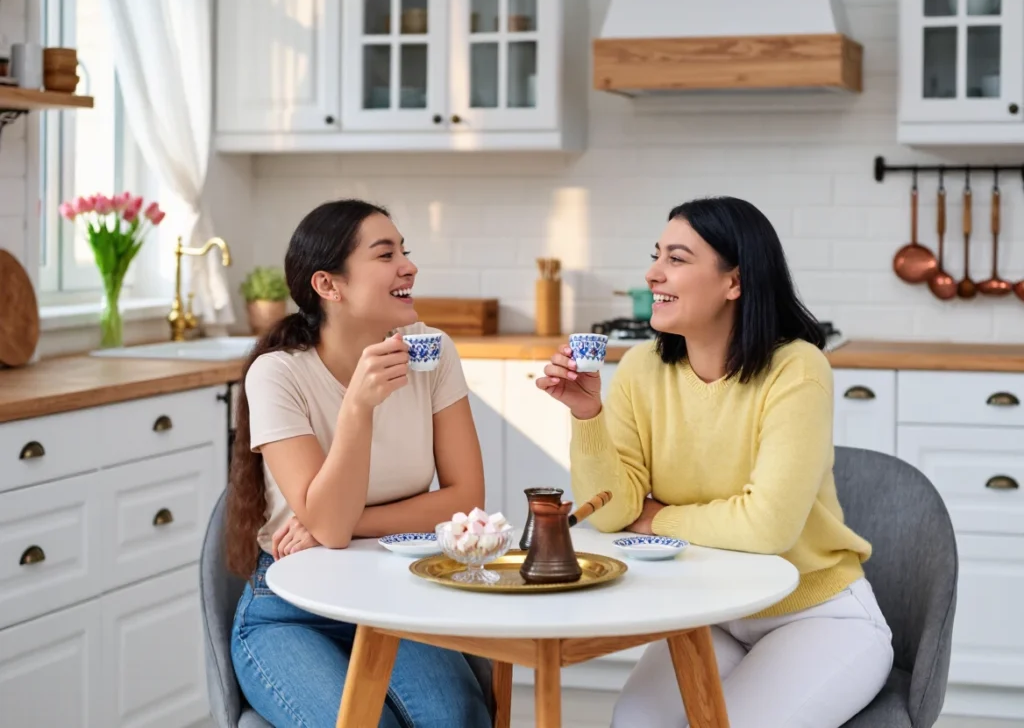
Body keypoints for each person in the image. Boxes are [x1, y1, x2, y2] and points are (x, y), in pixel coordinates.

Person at [536, 196, 894, 728]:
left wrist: (660, 519)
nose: (653, 273)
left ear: (735, 281)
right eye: (657, 255)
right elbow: (612, 513)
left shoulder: (796, 368)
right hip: (712, 614)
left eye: (677, 259)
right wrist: (588, 415)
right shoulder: (641, 369)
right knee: (633, 722)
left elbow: (767, 525)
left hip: (817, 615)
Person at [224, 199, 492, 728]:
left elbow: (465, 498)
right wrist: (358, 408)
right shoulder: (277, 375)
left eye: (405, 252)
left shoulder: (431, 353)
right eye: (385, 254)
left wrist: (344, 526)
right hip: (292, 609)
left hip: (397, 590)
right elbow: (328, 523)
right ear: (329, 285)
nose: (408, 266)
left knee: (457, 719)